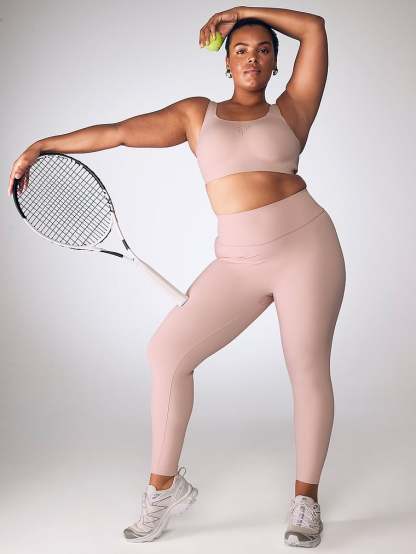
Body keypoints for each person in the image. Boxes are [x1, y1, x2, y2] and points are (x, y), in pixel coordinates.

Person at [8, 6, 345, 549]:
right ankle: (165, 489)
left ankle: (305, 499)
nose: (252, 59)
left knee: (305, 367)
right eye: (241, 50)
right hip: (237, 262)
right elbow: (119, 132)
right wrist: (44, 145)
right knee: (167, 354)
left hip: (307, 250)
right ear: (226, 63)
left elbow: (314, 28)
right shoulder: (196, 115)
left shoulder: (293, 109)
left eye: (263, 51)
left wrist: (240, 12)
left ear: (276, 63)